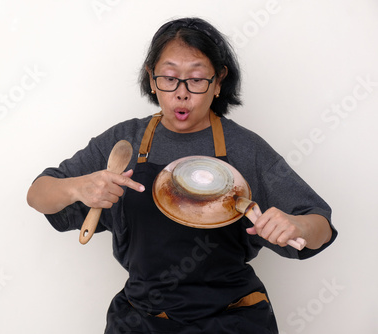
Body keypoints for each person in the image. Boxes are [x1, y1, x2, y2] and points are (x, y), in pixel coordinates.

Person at [27, 17, 337, 334]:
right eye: (170, 78)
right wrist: (77, 188)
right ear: (151, 78)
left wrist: (297, 224)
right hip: (140, 321)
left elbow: (320, 227)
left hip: (232, 320)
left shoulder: (245, 148)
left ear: (218, 82)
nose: (182, 93)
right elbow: (38, 193)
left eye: (198, 79)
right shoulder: (124, 142)